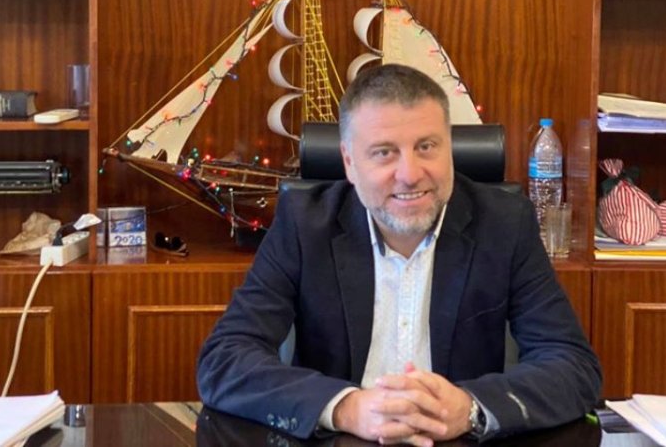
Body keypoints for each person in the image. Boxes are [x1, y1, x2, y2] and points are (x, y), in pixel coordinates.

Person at [197, 64, 602, 445]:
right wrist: (346, 408)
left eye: (426, 147)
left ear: (449, 148)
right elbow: (224, 359)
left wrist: (469, 407)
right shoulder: (305, 224)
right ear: (349, 162)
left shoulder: (504, 223)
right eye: (384, 152)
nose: (409, 174)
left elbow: (573, 365)